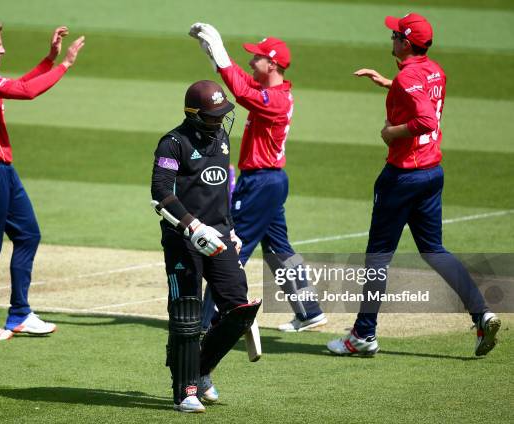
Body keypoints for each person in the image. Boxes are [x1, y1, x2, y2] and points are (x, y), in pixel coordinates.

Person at [326, 13, 501, 356]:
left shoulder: (409, 78)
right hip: (432, 172)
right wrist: (390, 83)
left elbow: (423, 118)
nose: (390, 38)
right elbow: (423, 95)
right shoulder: (434, 70)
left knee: (378, 257)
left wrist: (392, 132)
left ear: (406, 42)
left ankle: (363, 335)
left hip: (402, 176)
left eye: (395, 34)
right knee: (435, 250)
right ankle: (482, 314)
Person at [189, 23, 326, 332]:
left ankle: (206, 321)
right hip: (270, 181)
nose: (252, 62)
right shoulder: (273, 93)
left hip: (261, 183)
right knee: (279, 249)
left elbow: (239, 89)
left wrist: (220, 49)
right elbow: (242, 81)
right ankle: (309, 310)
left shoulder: (274, 100)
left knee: (227, 247)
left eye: (257, 58)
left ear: (272, 64)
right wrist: (213, 55)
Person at [0, 21, 85, 340]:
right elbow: (26, 91)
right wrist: (66, 64)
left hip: (2, 170)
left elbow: (18, 83)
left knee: (28, 235)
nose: (3, 49)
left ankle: (20, 314)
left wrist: (50, 59)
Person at [151, 80, 261, 412]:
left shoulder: (223, 137)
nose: (219, 121)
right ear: (194, 115)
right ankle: (184, 390)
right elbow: (160, 192)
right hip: (183, 238)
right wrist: (192, 225)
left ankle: (198, 370)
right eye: (213, 116)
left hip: (221, 236)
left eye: (222, 114)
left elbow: (222, 185)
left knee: (239, 310)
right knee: (186, 314)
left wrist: (231, 229)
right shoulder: (172, 143)